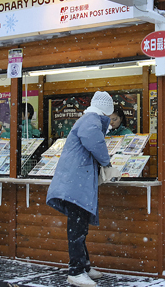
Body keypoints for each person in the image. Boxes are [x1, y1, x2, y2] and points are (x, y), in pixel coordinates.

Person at [46, 91, 114, 287]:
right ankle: (75, 271)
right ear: (105, 110)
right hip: (75, 184)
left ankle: (83, 265)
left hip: (75, 183)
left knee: (80, 227)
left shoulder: (87, 119)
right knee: (77, 228)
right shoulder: (90, 121)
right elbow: (95, 142)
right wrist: (107, 163)